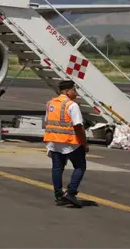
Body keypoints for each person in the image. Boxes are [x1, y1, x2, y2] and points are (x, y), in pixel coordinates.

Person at [43, 80, 88, 208]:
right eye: (74, 90)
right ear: (68, 91)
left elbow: (47, 121)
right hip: (70, 143)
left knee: (57, 168)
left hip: (54, 142)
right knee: (80, 166)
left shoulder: (50, 104)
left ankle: (59, 195)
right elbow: (78, 126)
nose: (76, 93)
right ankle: (71, 192)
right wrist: (84, 143)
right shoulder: (72, 105)